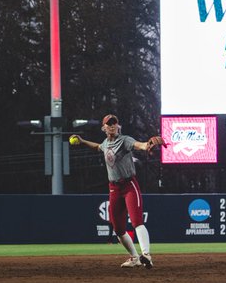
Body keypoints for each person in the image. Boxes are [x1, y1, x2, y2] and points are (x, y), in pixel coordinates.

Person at [70, 114, 163, 268]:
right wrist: (82, 141)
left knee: (136, 221)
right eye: (108, 124)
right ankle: (135, 258)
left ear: (118, 126)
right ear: (103, 128)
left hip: (128, 185)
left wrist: (148, 144)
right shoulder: (105, 143)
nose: (112, 126)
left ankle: (146, 255)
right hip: (114, 188)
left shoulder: (124, 140)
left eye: (114, 123)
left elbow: (139, 145)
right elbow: (98, 147)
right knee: (118, 229)